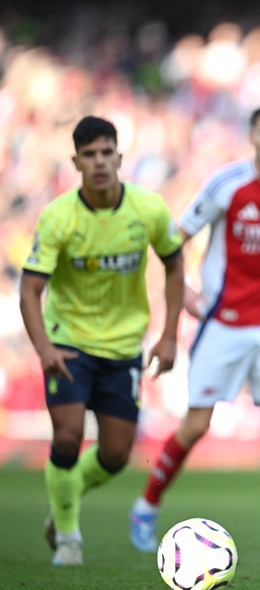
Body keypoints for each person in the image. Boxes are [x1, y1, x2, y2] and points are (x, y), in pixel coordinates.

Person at [128, 103, 260, 554]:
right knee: (196, 425)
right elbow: (172, 241)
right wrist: (183, 291)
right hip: (221, 323)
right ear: (253, 137)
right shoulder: (227, 185)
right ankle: (145, 506)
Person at [20, 115, 185, 566]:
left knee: (115, 455)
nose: (98, 162)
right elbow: (30, 289)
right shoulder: (58, 217)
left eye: (105, 153)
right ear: (76, 161)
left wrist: (169, 334)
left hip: (123, 348)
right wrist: (44, 348)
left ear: (119, 157)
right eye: (89, 155)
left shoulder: (148, 209)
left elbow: (174, 262)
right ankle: (69, 537)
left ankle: (61, 504)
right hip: (68, 342)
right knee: (69, 437)